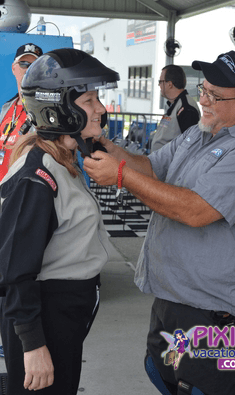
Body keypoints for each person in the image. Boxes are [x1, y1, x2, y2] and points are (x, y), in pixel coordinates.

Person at [82, 50, 235, 395]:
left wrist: (119, 176)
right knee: (163, 373)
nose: (204, 100)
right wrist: (106, 146)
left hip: (216, 310)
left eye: (215, 95)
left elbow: (196, 211)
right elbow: (150, 168)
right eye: (203, 90)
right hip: (174, 296)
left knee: (204, 388)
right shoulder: (200, 132)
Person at [0, 48, 119, 394]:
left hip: (64, 318)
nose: (99, 109)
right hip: (44, 322)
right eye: (89, 100)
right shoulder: (37, 176)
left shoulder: (65, 158)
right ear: (59, 109)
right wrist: (33, 346)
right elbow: (14, 271)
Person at [0, 43, 43, 180]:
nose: (28, 69)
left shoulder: (47, 110)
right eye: (23, 63)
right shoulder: (7, 107)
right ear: (14, 68)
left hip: (21, 192)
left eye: (34, 65)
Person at [150, 64, 200, 152]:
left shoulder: (186, 108)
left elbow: (190, 145)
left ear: (169, 84)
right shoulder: (175, 104)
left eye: (160, 81)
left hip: (170, 164)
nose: (159, 85)